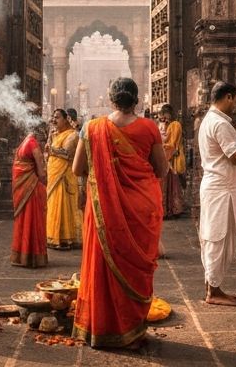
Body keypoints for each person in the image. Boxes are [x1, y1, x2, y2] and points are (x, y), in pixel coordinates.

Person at [72, 77, 166, 349]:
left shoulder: (92, 128)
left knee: (103, 264)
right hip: (141, 208)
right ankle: (132, 330)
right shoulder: (149, 128)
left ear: (111, 99)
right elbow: (161, 170)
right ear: (136, 100)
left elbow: (79, 168)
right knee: (135, 267)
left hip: (104, 207)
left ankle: (100, 327)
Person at [198, 81, 236, 306]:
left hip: (219, 188)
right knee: (218, 238)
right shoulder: (220, 124)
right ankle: (213, 291)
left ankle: (212, 286)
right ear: (229, 97)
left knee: (216, 237)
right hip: (221, 190)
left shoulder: (212, 120)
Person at [11, 121, 48, 268]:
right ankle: (33, 256)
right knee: (33, 220)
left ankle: (21, 256)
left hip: (23, 188)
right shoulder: (33, 144)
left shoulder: (24, 142)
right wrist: (45, 180)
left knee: (24, 220)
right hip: (32, 188)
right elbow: (41, 171)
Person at [45, 108, 81, 250]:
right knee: (54, 205)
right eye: (53, 117)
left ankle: (66, 238)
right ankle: (54, 236)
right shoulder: (56, 134)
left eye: (57, 117)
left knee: (63, 206)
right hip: (55, 175)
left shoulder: (72, 135)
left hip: (64, 177)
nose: (54, 120)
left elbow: (67, 154)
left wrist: (51, 150)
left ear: (67, 119)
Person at [158, 103, 186, 218]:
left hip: (172, 156)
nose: (164, 118)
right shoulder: (169, 125)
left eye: (164, 115)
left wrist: (162, 145)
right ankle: (169, 209)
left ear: (168, 114)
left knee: (173, 184)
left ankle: (173, 209)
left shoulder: (175, 125)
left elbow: (172, 144)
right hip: (168, 156)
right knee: (168, 184)